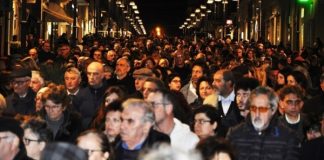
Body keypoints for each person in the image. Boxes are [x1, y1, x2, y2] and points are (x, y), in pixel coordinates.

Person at [226, 86, 300, 160]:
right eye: (253, 108)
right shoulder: (235, 134)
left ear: (273, 110)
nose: (257, 114)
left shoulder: (288, 137)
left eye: (262, 109)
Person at [74, 62, 108, 129]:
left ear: (102, 75)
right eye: (89, 74)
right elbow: (75, 120)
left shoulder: (110, 94)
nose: (91, 77)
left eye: (95, 74)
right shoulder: (80, 94)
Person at [212, 69, 242, 136]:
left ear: (229, 83)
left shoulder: (241, 100)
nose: (213, 84)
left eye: (218, 81)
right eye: (213, 80)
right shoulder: (211, 101)